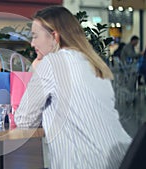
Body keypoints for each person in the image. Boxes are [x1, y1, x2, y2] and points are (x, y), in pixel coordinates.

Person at [14, 6, 132, 169]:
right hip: (124, 158)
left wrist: (35, 69)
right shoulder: (94, 64)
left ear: (54, 35)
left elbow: (24, 120)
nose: (32, 43)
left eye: (35, 36)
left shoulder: (52, 63)